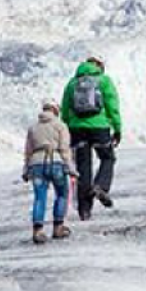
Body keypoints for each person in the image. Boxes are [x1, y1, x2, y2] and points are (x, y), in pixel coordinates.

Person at [60, 56, 122, 221]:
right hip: (99, 127)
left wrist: (67, 129)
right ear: (99, 66)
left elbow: (65, 110)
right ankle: (101, 186)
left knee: (83, 168)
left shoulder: (72, 84)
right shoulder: (104, 81)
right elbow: (112, 106)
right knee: (107, 157)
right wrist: (117, 128)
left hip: (77, 129)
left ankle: (85, 210)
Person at [23, 101, 73, 242]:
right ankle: (58, 228)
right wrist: (70, 167)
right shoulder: (60, 125)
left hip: (37, 164)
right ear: (56, 110)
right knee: (62, 193)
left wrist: (26, 169)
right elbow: (64, 149)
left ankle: (37, 231)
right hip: (56, 162)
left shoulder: (33, 128)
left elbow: (28, 151)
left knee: (40, 197)